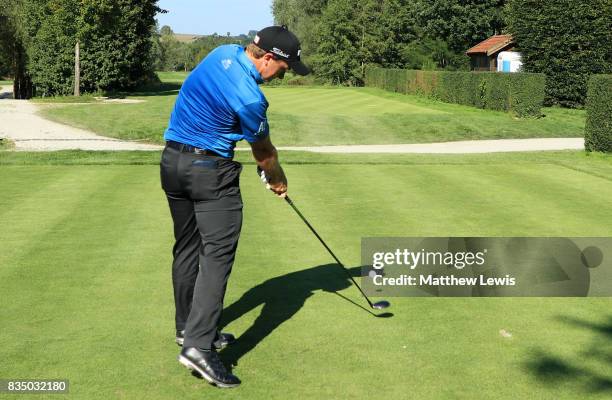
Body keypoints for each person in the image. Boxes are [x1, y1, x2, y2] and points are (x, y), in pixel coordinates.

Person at [159, 25, 310, 388]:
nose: (282, 76)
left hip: (171, 163)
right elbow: (264, 153)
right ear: (269, 59)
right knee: (217, 257)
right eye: (284, 69)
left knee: (187, 249)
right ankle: (197, 347)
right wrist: (276, 178)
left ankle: (188, 330)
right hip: (209, 174)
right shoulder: (251, 98)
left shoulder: (222, 52)